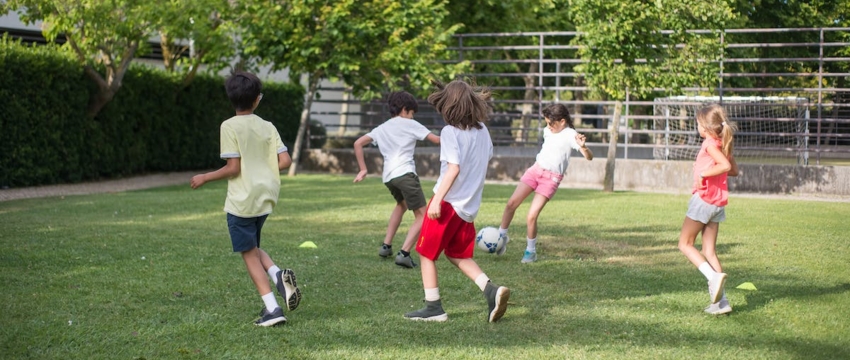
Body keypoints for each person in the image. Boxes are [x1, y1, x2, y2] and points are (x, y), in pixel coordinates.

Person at [190, 71, 302, 327]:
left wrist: (205, 177)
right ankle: (277, 274)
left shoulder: (229, 126)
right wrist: (262, 165)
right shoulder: (268, 126)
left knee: (248, 254)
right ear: (257, 99)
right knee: (252, 247)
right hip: (267, 196)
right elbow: (285, 161)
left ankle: (273, 309)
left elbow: (233, 168)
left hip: (243, 198)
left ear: (231, 99)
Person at [404, 79, 510, 323]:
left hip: (448, 203)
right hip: (468, 208)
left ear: (449, 106)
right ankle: (492, 291)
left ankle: (433, 308)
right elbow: (487, 157)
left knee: (426, 253)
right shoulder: (483, 131)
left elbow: (453, 169)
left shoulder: (450, 132)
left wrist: (436, 201)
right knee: (457, 254)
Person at [353, 91, 440, 268]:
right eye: (412, 112)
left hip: (389, 177)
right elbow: (437, 140)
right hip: (405, 173)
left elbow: (358, 143)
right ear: (405, 109)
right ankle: (404, 253)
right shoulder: (411, 124)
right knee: (424, 216)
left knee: (402, 205)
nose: (412, 116)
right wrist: (457, 134)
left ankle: (386, 246)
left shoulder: (383, 127)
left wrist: (363, 169)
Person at [497, 103, 593, 263]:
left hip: (551, 178)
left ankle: (531, 251)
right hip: (536, 170)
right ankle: (500, 237)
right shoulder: (547, 131)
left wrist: (584, 147)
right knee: (511, 204)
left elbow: (589, 157)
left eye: (550, 123)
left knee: (531, 216)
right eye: (546, 122)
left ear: (562, 121)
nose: (548, 126)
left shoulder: (570, 134)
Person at [677, 104, 739, 315]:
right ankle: (721, 303)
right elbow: (734, 170)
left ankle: (712, 278)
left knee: (685, 244)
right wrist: (717, 169)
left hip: (704, 200)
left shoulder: (710, 144)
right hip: (717, 203)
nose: (697, 127)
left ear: (704, 126)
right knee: (709, 251)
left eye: (697, 124)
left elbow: (726, 167)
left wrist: (704, 174)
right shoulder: (723, 143)